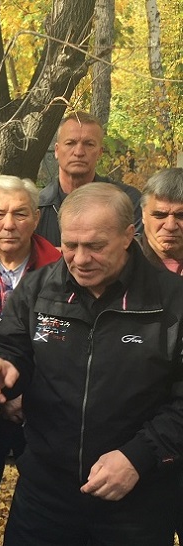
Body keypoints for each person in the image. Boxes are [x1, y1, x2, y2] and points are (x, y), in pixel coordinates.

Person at [0, 183, 183, 545]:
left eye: (95, 246)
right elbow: (12, 344)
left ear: (128, 236)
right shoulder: (38, 289)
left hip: (136, 497)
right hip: (45, 495)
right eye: (70, 246)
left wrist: (139, 456)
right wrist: (5, 363)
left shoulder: (171, 300)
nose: (80, 259)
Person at [0, 175, 61, 539]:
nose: (9, 224)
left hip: (45, 410)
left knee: (49, 507)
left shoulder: (64, 268)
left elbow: (65, 346)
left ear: (36, 218)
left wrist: (25, 395)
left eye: (20, 213)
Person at [139, 168, 183, 543]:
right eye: (160, 214)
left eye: (181, 215)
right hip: (141, 441)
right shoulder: (119, 268)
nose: (171, 225)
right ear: (143, 215)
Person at [36, 111, 142, 247]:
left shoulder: (128, 201)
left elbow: (136, 251)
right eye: (70, 143)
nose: (79, 152)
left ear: (100, 152)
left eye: (89, 144)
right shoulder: (37, 207)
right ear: (56, 150)